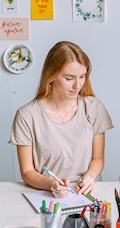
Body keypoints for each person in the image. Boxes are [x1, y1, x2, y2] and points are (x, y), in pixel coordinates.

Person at [9, 41, 113, 198]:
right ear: (51, 76)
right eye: (69, 78)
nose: (77, 85)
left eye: (82, 77)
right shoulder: (26, 115)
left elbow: (97, 158)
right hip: (46, 194)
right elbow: (27, 172)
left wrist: (89, 178)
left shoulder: (94, 108)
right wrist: (51, 185)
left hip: (86, 192)